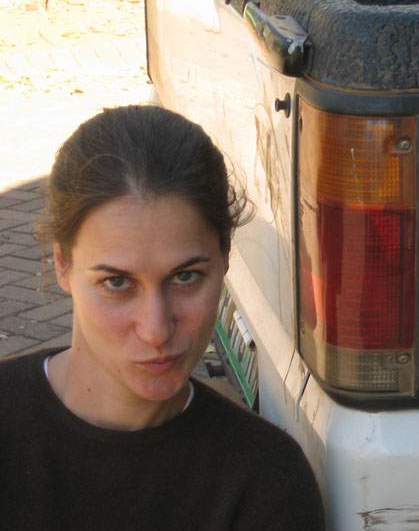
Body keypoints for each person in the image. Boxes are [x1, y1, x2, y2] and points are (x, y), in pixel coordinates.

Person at [0, 105, 325, 530]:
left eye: (185, 277)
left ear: (226, 255)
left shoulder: (265, 482)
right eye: (117, 282)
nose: (156, 330)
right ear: (62, 263)